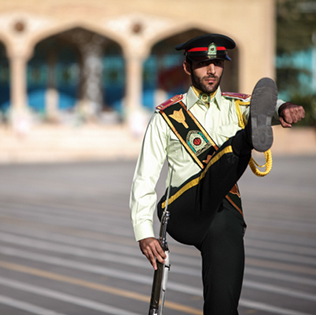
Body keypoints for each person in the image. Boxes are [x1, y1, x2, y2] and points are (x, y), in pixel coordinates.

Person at [129, 34, 305, 315]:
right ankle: (245, 139)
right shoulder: (167, 116)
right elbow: (145, 177)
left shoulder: (240, 106)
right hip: (183, 207)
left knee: (223, 305)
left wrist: (282, 107)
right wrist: (144, 232)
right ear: (187, 68)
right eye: (202, 64)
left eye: (218, 63)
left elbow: (264, 103)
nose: (212, 70)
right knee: (235, 147)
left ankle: (246, 138)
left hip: (223, 213)